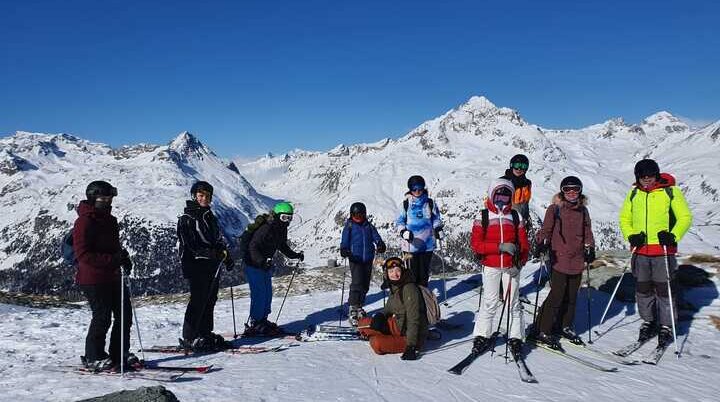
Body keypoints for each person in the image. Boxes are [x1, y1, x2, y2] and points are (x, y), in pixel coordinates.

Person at [619, 159, 691, 346]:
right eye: (643, 176)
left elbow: (685, 217)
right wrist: (631, 235)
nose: (647, 180)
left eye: (650, 176)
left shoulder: (670, 191)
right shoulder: (634, 193)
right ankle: (648, 321)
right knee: (643, 289)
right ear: (637, 177)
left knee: (664, 290)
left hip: (663, 250)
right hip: (640, 249)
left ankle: (666, 325)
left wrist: (673, 235)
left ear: (656, 174)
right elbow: (625, 218)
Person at [74, 180, 134, 371]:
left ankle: (119, 352)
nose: (108, 201)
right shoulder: (84, 221)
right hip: (93, 279)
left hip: (113, 275)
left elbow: (112, 248)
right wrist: (113, 260)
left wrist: (123, 257)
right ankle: (94, 356)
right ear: (93, 198)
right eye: (103, 198)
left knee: (124, 316)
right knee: (102, 318)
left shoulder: (110, 220)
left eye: (109, 198)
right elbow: (83, 255)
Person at [532, 176, 595, 348]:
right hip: (559, 257)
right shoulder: (555, 209)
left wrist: (590, 247)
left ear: (580, 191)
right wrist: (542, 243)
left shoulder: (583, 211)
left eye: (575, 189)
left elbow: (587, 231)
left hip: (577, 258)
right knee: (557, 295)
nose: (572, 193)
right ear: (562, 191)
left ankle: (564, 326)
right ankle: (542, 329)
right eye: (567, 189)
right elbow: (546, 229)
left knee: (572, 296)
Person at [469, 178, 530, 358]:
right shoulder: (484, 216)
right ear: (491, 195)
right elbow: (477, 245)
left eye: (506, 197)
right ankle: (481, 335)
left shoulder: (516, 216)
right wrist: (500, 247)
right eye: (498, 196)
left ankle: (516, 337)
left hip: (511, 266)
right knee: (490, 302)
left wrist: (520, 262)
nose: (501, 200)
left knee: (513, 303)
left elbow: (524, 244)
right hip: (491, 265)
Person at [177, 181, 234, 351]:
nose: (204, 199)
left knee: (210, 299)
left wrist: (225, 256)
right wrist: (212, 254)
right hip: (195, 265)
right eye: (201, 195)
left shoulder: (209, 216)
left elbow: (217, 240)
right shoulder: (187, 219)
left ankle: (204, 332)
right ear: (194, 196)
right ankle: (190, 337)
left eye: (208, 196)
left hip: (211, 265)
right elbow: (190, 246)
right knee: (198, 300)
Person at [243, 201, 304, 336]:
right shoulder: (266, 228)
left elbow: (282, 246)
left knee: (267, 293)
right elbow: (253, 246)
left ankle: (262, 320)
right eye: (284, 217)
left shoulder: (281, 229)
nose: (286, 221)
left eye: (289, 218)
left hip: (265, 264)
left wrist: (295, 255)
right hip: (253, 263)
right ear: (276, 216)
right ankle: (256, 322)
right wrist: (261, 261)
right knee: (259, 293)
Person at [358, 257, 428, 360]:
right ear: (386, 273)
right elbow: (388, 308)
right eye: (391, 271)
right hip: (399, 325)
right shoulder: (395, 286)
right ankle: (377, 334)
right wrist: (380, 315)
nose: (395, 274)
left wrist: (411, 346)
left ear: (402, 270)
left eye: (397, 270)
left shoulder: (409, 289)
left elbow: (414, 319)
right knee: (362, 324)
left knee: (377, 344)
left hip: (411, 335)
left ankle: (379, 337)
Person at [340, 202, 386, 326]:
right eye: (355, 215)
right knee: (357, 282)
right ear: (351, 215)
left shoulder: (368, 226)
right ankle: (353, 307)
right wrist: (344, 249)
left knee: (365, 283)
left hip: (368, 258)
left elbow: (376, 237)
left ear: (365, 215)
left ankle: (360, 306)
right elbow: (345, 240)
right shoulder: (349, 226)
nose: (358, 217)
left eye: (360, 215)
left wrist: (380, 244)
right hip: (355, 258)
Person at [395, 175, 444, 287]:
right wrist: (403, 232)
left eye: (420, 188)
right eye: (414, 188)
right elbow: (399, 222)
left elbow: (436, 219)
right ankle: (413, 299)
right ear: (410, 189)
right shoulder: (405, 204)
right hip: (410, 245)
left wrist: (437, 228)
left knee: (424, 274)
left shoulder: (430, 203)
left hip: (427, 245)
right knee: (412, 274)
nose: (417, 191)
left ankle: (423, 298)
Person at [501, 154, 533, 225]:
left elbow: (525, 204)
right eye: (517, 165)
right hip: (506, 221)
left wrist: (527, 218)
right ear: (511, 165)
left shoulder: (527, 183)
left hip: (522, 221)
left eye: (523, 166)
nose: (519, 169)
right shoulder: (503, 182)